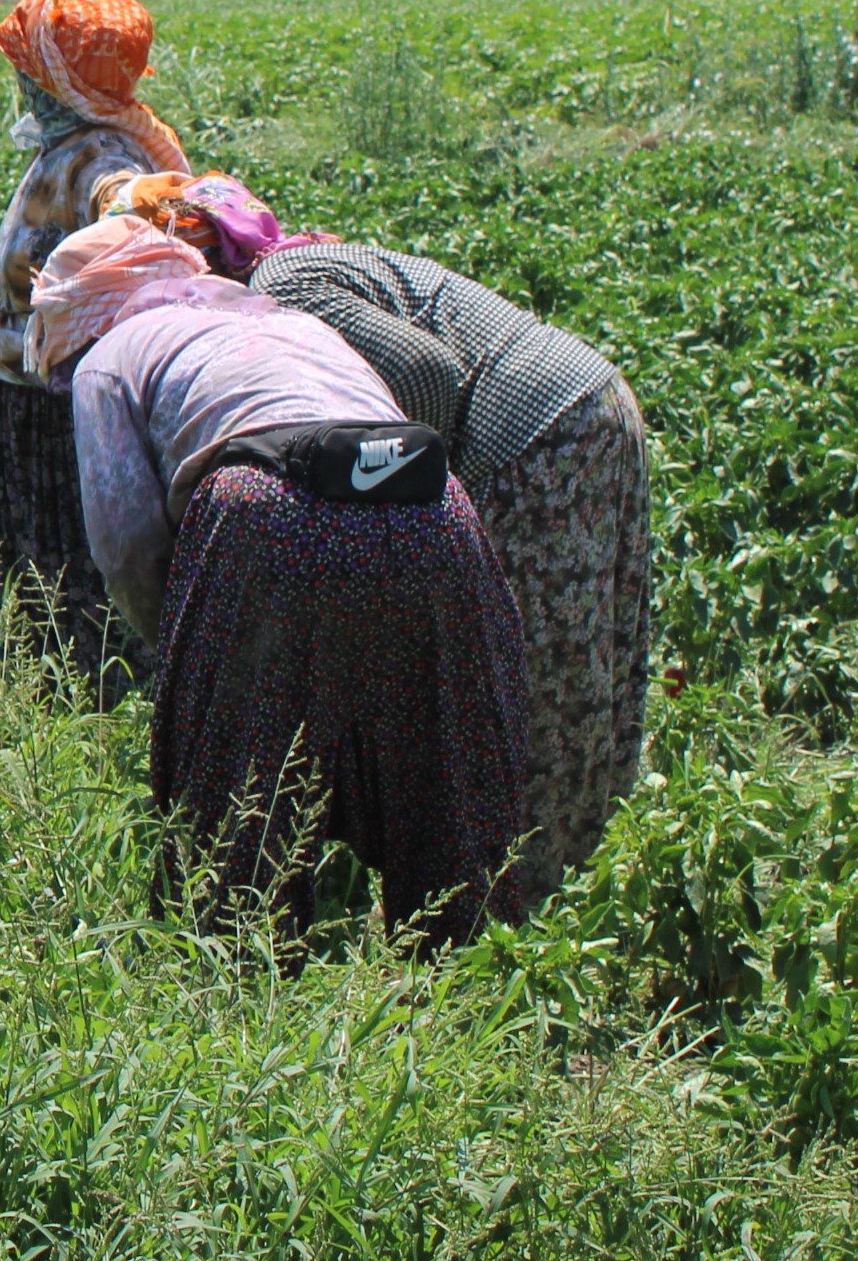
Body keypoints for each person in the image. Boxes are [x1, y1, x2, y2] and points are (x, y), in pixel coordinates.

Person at [38, 216, 530, 945]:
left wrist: (181, 656)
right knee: (444, 783)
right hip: (434, 510)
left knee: (237, 810)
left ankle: (240, 1005)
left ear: (76, 313)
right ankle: (468, 992)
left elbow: (127, 543)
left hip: (266, 512)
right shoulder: (280, 320)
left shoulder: (107, 358)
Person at [238, 234, 648, 916]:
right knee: (580, 675)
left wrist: (411, 507)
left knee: (521, 689)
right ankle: (569, 900)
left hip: (539, 441)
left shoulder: (279, 285)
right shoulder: (311, 262)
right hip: (587, 406)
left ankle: (515, 926)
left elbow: (428, 374)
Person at [0, 0, 193, 655]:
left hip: (79, 426)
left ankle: (101, 735)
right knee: (35, 609)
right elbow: (8, 286)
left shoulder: (107, 162)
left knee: (89, 609)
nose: (19, 81)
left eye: (28, 68)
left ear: (57, 78)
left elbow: (133, 225)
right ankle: (37, 731)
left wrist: (131, 204)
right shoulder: (54, 155)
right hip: (24, 419)